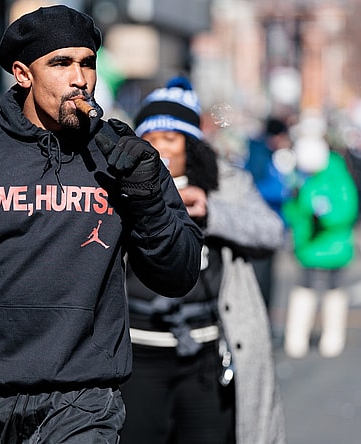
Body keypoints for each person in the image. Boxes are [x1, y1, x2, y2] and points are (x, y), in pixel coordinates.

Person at [0, 5, 203, 443]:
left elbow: (179, 273)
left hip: (84, 401)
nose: (79, 78)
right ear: (24, 74)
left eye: (88, 63)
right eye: (61, 63)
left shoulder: (126, 156)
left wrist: (145, 196)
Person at [121, 76, 286, 443]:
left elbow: (272, 232)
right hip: (139, 351)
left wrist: (213, 212)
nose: (159, 148)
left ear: (190, 145)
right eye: (150, 138)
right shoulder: (120, 183)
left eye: (170, 138)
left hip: (207, 350)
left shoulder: (224, 182)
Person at [282, 112, 359, 359]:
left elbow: (347, 210)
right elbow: (294, 213)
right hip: (308, 247)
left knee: (333, 293)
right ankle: (296, 338)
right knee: (305, 290)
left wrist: (324, 213)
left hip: (332, 247)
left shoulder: (336, 176)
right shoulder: (302, 178)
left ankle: (333, 337)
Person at [243, 116, 293, 313]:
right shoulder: (261, 157)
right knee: (260, 281)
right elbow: (256, 188)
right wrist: (286, 191)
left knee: (266, 280)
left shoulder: (265, 154)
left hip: (271, 225)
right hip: (260, 227)